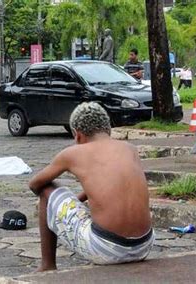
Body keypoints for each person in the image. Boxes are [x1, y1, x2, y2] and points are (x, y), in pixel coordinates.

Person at [29, 102, 154, 271]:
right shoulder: (129, 149)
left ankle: (47, 265)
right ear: (107, 129)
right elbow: (114, 187)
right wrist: (78, 200)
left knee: (47, 191)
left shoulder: (72, 153)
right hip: (143, 246)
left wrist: (53, 206)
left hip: (106, 249)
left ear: (78, 136)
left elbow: (35, 184)